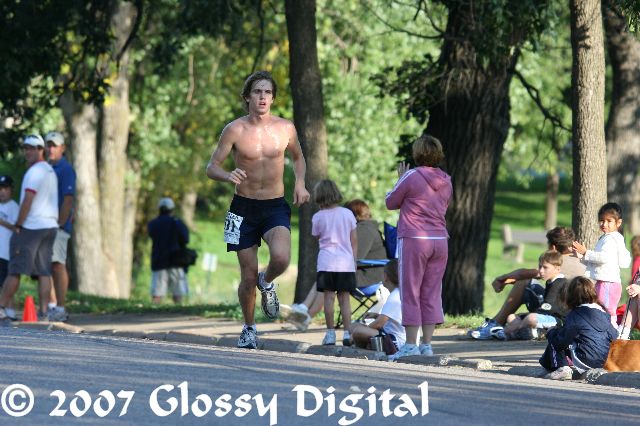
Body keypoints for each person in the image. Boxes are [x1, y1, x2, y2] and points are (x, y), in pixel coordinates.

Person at [205, 70, 310, 349]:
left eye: (267, 92)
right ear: (247, 97)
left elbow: (299, 158)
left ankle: (268, 281)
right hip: (241, 208)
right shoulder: (234, 130)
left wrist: (300, 184)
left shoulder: (285, 128)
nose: (262, 97)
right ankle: (249, 328)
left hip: (274, 205)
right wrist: (227, 175)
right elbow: (211, 167)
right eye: (257, 91)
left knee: (281, 258)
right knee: (247, 274)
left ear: (273, 98)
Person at [385, 134, 452, 360]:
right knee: (432, 292)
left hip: (415, 239)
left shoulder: (411, 175)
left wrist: (400, 179)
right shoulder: (446, 179)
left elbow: (390, 202)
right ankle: (427, 345)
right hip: (439, 240)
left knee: (411, 291)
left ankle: (410, 344)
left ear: (417, 153)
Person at [283, 199, 388, 330]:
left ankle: (305, 314)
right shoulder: (365, 228)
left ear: (353, 215)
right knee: (327, 276)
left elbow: (356, 255)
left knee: (329, 278)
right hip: (362, 271)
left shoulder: (365, 229)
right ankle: (304, 311)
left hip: (370, 277)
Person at [469, 227, 586, 339]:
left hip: (558, 313)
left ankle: (496, 323)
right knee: (517, 312)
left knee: (523, 283)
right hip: (579, 314)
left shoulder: (556, 262)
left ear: (553, 247)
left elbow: (524, 275)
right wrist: (508, 281)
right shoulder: (582, 260)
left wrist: (503, 279)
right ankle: (530, 330)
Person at [0, 135, 58, 321]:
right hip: (49, 226)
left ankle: (1, 306)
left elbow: (28, 199)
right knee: (44, 271)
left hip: (32, 227)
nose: (27, 152)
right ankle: (44, 312)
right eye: (25, 148)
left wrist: (19, 224)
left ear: (41, 150)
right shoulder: (49, 170)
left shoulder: (34, 172)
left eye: (32, 148)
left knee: (15, 269)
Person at [539, 277, 617, 380]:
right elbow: (614, 335)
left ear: (570, 296)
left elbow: (561, 340)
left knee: (555, 338)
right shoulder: (603, 314)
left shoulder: (575, 314)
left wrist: (551, 332)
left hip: (586, 359)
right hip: (604, 361)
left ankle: (562, 368)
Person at [311, 179, 357, 346]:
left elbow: (317, 236)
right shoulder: (348, 214)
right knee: (345, 300)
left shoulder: (317, 217)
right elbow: (354, 240)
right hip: (346, 263)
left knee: (328, 299)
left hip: (326, 262)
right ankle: (347, 333)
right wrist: (354, 261)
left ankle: (330, 333)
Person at [571, 202, 631, 326]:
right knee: (600, 309)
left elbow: (603, 258)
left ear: (618, 223)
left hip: (608, 283)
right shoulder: (607, 237)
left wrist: (586, 252)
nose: (604, 224)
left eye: (609, 221)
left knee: (607, 311)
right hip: (603, 282)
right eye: (602, 221)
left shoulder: (611, 239)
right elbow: (599, 262)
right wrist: (582, 257)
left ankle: (612, 333)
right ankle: (603, 332)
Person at [494, 251, 569, 340]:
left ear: (557, 269)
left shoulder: (560, 283)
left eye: (545, 267)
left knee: (530, 318)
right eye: (540, 267)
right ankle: (530, 333)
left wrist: (527, 316)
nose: (541, 271)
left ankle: (509, 332)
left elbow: (548, 308)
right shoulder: (550, 281)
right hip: (546, 316)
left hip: (558, 320)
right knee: (512, 317)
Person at [44, 131, 76, 322]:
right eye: (48, 145)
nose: (51, 149)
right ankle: (51, 305)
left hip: (58, 225)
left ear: (62, 148)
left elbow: (68, 199)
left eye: (54, 145)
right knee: (46, 265)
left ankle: (61, 308)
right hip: (44, 224)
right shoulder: (45, 168)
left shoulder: (65, 169)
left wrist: (60, 224)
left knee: (57, 264)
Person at [349, 259, 406, 353]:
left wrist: (357, 333)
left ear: (386, 276)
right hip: (391, 335)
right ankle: (368, 345)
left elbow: (379, 324)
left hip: (395, 341)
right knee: (353, 326)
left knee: (358, 331)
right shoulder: (398, 293)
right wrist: (376, 315)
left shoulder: (394, 296)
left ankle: (364, 350)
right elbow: (394, 318)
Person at [147, 197, 189, 304]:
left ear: (159, 209)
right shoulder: (177, 223)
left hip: (159, 261)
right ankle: (178, 312)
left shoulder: (153, 223)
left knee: (157, 294)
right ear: (172, 209)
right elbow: (186, 239)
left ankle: (153, 311)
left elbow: (151, 234)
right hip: (176, 261)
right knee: (178, 294)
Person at [0, 175, 19, 320]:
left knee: (6, 282)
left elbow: (17, 228)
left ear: (11, 190)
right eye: (0, 188)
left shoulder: (14, 207)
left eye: (5, 188)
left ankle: (10, 310)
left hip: (7, 251)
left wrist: (2, 222)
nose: (2, 191)